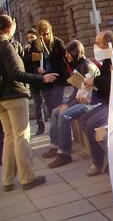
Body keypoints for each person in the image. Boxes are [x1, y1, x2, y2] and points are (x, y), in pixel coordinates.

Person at [0, 15, 58, 191]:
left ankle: (8, 180)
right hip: (14, 95)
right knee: (21, 136)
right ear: (10, 27)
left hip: (1, 98)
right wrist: (42, 78)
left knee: (9, 137)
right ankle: (27, 178)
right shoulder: (6, 46)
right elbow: (16, 73)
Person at [41, 40, 100, 168]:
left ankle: (64, 154)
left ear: (76, 53)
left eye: (68, 53)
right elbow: (76, 91)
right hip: (83, 99)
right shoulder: (79, 65)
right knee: (56, 111)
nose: (66, 56)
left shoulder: (86, 66)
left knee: (64, 115)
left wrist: (69, 105)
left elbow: (86, 93)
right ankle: (55, 146)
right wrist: (68, 103)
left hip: (91, 102)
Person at [79, 31, 113, 176]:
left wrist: (96, 81)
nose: (95, 46)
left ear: (107, 45)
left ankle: (101, 162)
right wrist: (90, 87)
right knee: (84, 118)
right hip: (106, 102)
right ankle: (100, 159)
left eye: (98, 43)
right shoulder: (107, 60)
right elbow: (104, 82)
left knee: (93, 124)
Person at [31, 20, 69, 119]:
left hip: (58, 77)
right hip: (45, 79)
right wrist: (37, 69)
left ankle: (60, 123)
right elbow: (35, 63)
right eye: (43, 35)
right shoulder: (36, 45)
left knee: (57, 102)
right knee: (49, 105)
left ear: (50, 31)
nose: (45, 37)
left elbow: (66, 57)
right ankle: (55, 126)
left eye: (47, 34)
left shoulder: (57, 42)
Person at [23, 27, 48, 135]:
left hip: (44, 78)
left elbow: (43, 57)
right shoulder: (27, 49)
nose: (30, 40)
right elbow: (24, 61)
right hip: (33, 79)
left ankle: (47, 119)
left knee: (46, 101)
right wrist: (33, 57)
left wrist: (32, 57)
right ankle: (40, 125)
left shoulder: (40, 46)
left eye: (32, 37)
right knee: (38, 103)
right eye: (28, 38)